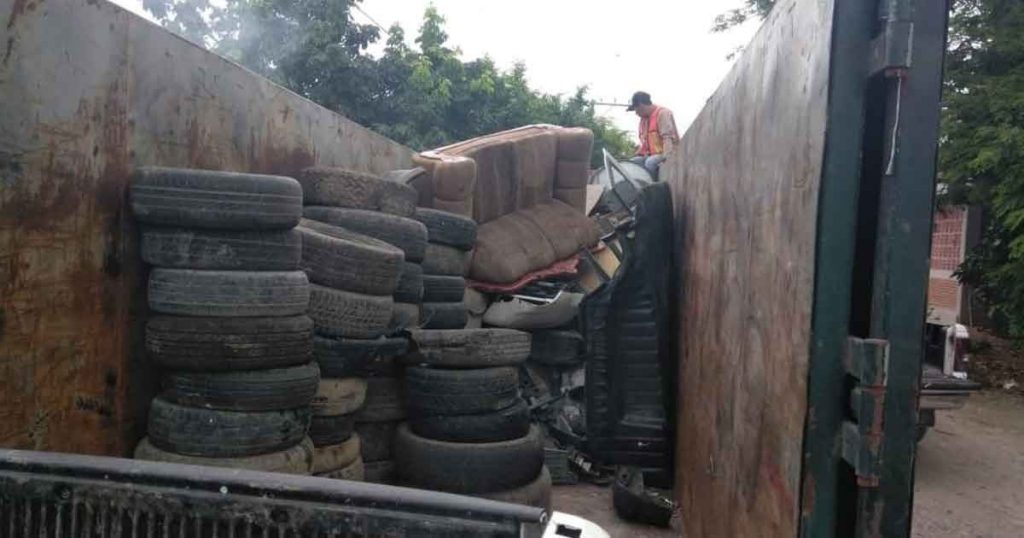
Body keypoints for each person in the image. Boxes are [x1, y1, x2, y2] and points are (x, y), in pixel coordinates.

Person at [626, 91, 679, 178]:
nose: (636, 113)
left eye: (636, 110)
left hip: (666, 153)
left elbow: (667, 139)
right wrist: (636, 154)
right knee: (633, 163)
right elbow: (645, 143)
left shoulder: (662, 114)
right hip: (650, 155)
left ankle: (652, 188)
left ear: (641, 106)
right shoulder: (644, 119)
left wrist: (667, 159)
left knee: (650, 162)